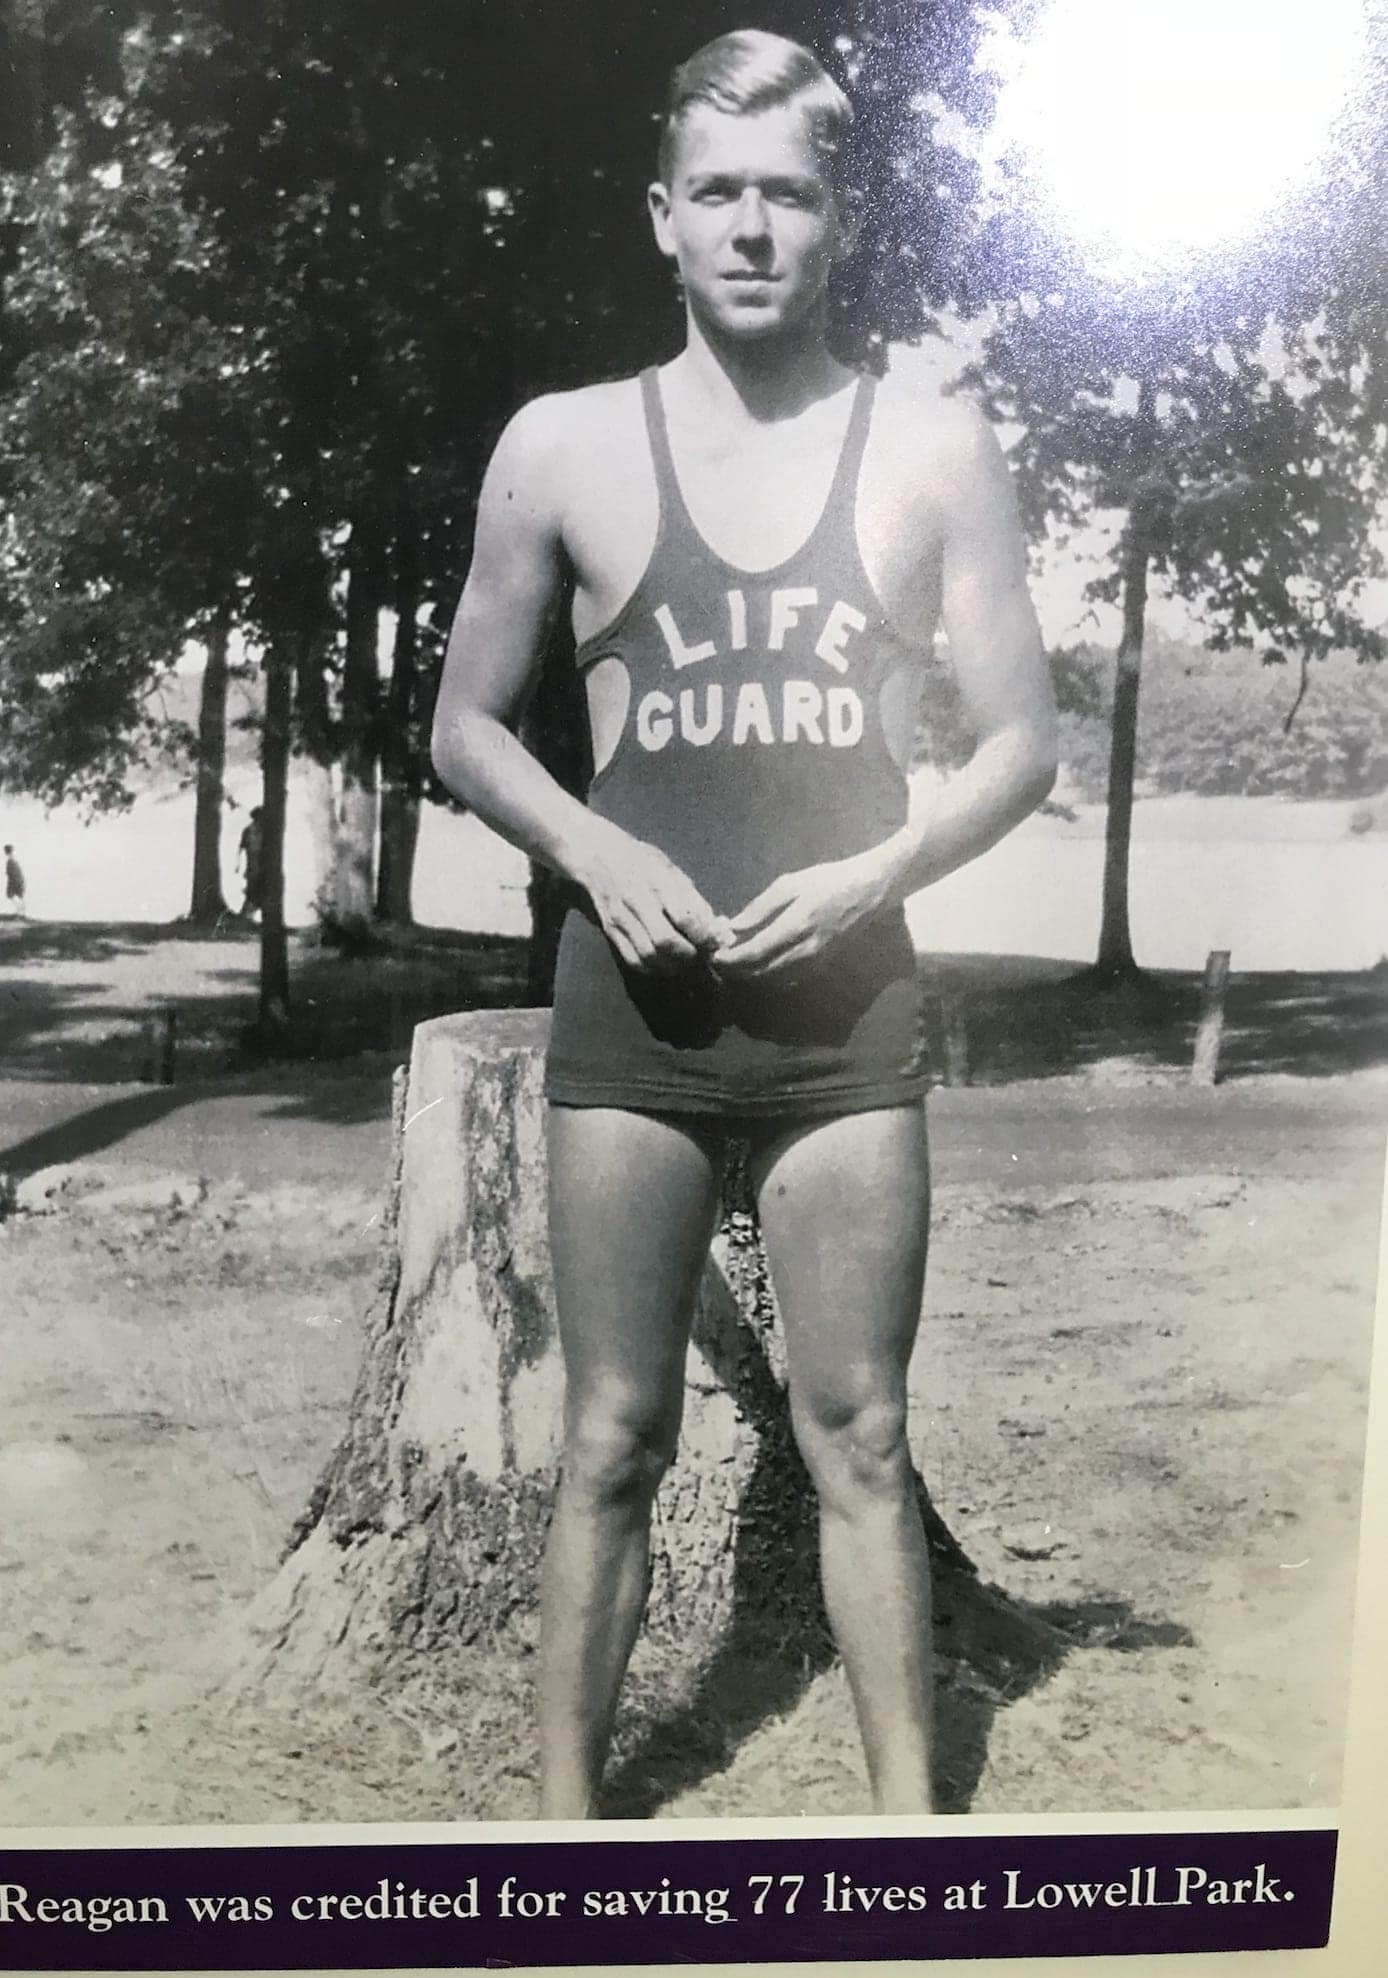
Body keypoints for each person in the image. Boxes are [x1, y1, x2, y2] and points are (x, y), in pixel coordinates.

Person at [432, 28, 1058, 1818]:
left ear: (838, 217)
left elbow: (1022, 744)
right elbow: (465, 728)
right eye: (718, 192)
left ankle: (907, 1840)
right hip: (634, 1015)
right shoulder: (564, 446)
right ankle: (563, 1843)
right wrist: (591, 852)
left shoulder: (932, 446)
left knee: (860, 1431)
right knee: (609, 1438)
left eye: (789, 193)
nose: (754, 228)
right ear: (663, 217)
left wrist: (877, 874)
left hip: (845, 1020)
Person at [238, 808, 265, 922]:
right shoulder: (250, 830)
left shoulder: (258, 830)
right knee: (253, 889)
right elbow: (242, 847)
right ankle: (247, 916)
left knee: (255, 889)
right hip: (253, 862)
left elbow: (241, 847)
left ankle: (248, 915)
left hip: (257, 863)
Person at [3, 844, 26, 916]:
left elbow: (10, 872)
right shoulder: (14, 860)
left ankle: (20, 910)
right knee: (19, 895)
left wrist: (10, 876)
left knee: (11, 895)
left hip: (15, 880)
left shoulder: (10, 861)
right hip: (18, 880)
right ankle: (21, 911)